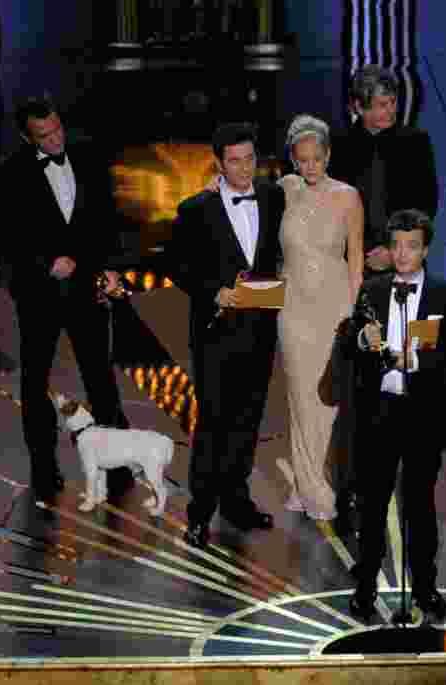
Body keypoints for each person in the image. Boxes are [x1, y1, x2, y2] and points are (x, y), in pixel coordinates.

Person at [0, 95, 131, 505]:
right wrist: (45, 262)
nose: (53, 140)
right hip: (39, 295)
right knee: (35, 384)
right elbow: (0, 232)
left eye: (56, 129)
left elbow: (107, 218)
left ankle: (118, 467)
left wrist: (111, 268)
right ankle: (44, 472)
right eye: (43, 136)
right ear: (27, 137)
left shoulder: (87, 156)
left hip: (87, 287)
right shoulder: (11, 173)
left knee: (101, 380)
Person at [168, 122, 284, 548]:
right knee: (214, 424)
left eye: (250, 159)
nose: (243, 168)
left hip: (260, 328)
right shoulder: (194, 209)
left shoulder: (273, 197)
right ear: (218, 163)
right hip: (216, 333)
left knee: (248, 421)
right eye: (234, 161)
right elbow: (178, 267)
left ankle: (237, 501)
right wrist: (214, 290)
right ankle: (199, 514)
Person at [348, 209, 446, 622]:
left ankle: (426, 587)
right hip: (378, 412)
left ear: (425, 249)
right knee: (373, 503)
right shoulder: (372, 289)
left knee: (420, 506)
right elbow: (349, 341)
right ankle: (363, 587)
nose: (402, 254)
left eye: (411, 246)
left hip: (423, 413)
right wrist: (363, 338)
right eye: (395, 245)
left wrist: (419, 362)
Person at [277, 115, 365, 521]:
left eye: (317, 158)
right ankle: (309, 486)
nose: (310, 166)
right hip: (293, 307)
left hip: (334, 306)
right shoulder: (285, 189)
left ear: (328, 154)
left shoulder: (349, 196)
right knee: (300, 397)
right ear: (293, 160)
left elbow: (356, 261)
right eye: (302, 160)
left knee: (328, 399)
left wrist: (353, 315)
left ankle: (320, 479)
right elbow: (237, 192)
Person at [328, 65, 438, 276]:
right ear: (359, 107)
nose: (391, 110)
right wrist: (358, 253)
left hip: (404, 261)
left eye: (393, 102)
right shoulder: (338, 146)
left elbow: (425, 205)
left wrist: (393, 251)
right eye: (382, 105)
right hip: (349, 264)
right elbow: (332, 210)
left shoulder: (416, 143)